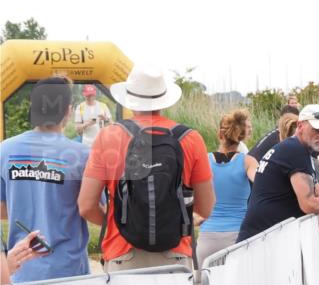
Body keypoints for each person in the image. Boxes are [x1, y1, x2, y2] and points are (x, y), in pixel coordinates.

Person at [78, 67, 216, 272]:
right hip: (176, 256)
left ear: (129, 99)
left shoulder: (108, 137)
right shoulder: (190, 138)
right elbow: (205, 208)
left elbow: (86, 206)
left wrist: (119, 221)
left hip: (122, 255)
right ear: (164, 99)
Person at [0, 76, 91, 282]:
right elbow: (90, 207)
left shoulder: (5, 150)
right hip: (70, 272)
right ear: (68, 111)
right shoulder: (81, 155)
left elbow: (1, 208)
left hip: (21, 269)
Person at [237, 105, 319, 242]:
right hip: (260, 241)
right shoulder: (295, 150)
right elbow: (309, 203)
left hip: (265, 238)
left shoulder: (299, 150)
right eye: (316, 129)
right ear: (300, 126)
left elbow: (318, 194)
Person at [196, 110, 258, 266]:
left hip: (207, 237)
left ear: (219, 134)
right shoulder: (248, 161)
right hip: (236, 237)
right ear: (243, 136)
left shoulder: (205, 160)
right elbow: (263, 184)